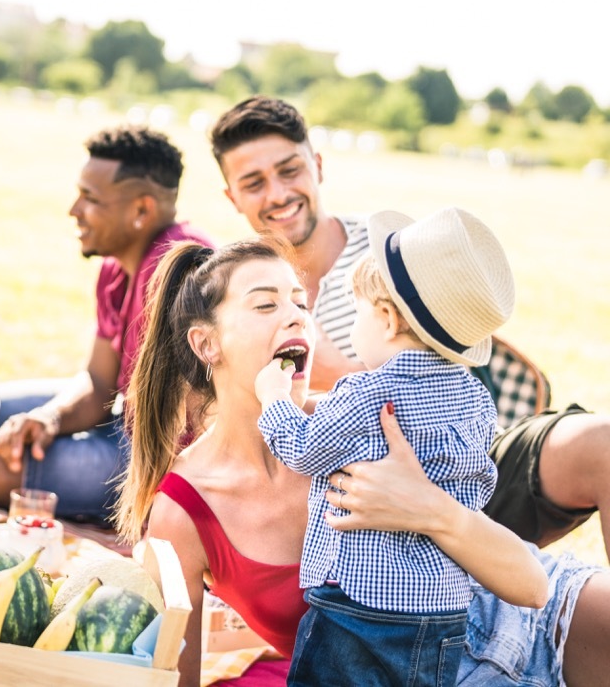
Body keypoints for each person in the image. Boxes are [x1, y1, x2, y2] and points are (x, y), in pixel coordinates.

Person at [115, 237, 605, 687]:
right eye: (266, 304)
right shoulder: (183, 512)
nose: (296, 318)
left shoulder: (363, 420)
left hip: (537, 621)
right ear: (206, 344)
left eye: (300, 303)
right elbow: (171, 679)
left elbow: (531, 586)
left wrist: (430, 509)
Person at [209, 95, 610, 555]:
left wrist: (339, 375)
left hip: (455, 474)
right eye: (254, 183)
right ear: (232, 196)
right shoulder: (233, 288)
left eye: (289, 170)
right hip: (329, 498)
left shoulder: (392, 256)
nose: (278, 194)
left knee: (601, 442)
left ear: (317, 165)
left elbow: (453, 390)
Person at [253, 207, 522, 685]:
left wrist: (274, 400)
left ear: (387, 319)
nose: (350, 329)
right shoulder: (476, 399)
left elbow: (303, 449)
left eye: (356, 314)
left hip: (358, 608)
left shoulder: (367, 392)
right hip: (443, 612)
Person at [0, 124, 215, 521]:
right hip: (125, 420)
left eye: (90, 198)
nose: (74, 210)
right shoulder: (115, 268)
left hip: (159, 455)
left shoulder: (181, 268)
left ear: (142, 210)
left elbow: (195, 426)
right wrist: (49, 418)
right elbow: (99, 380)